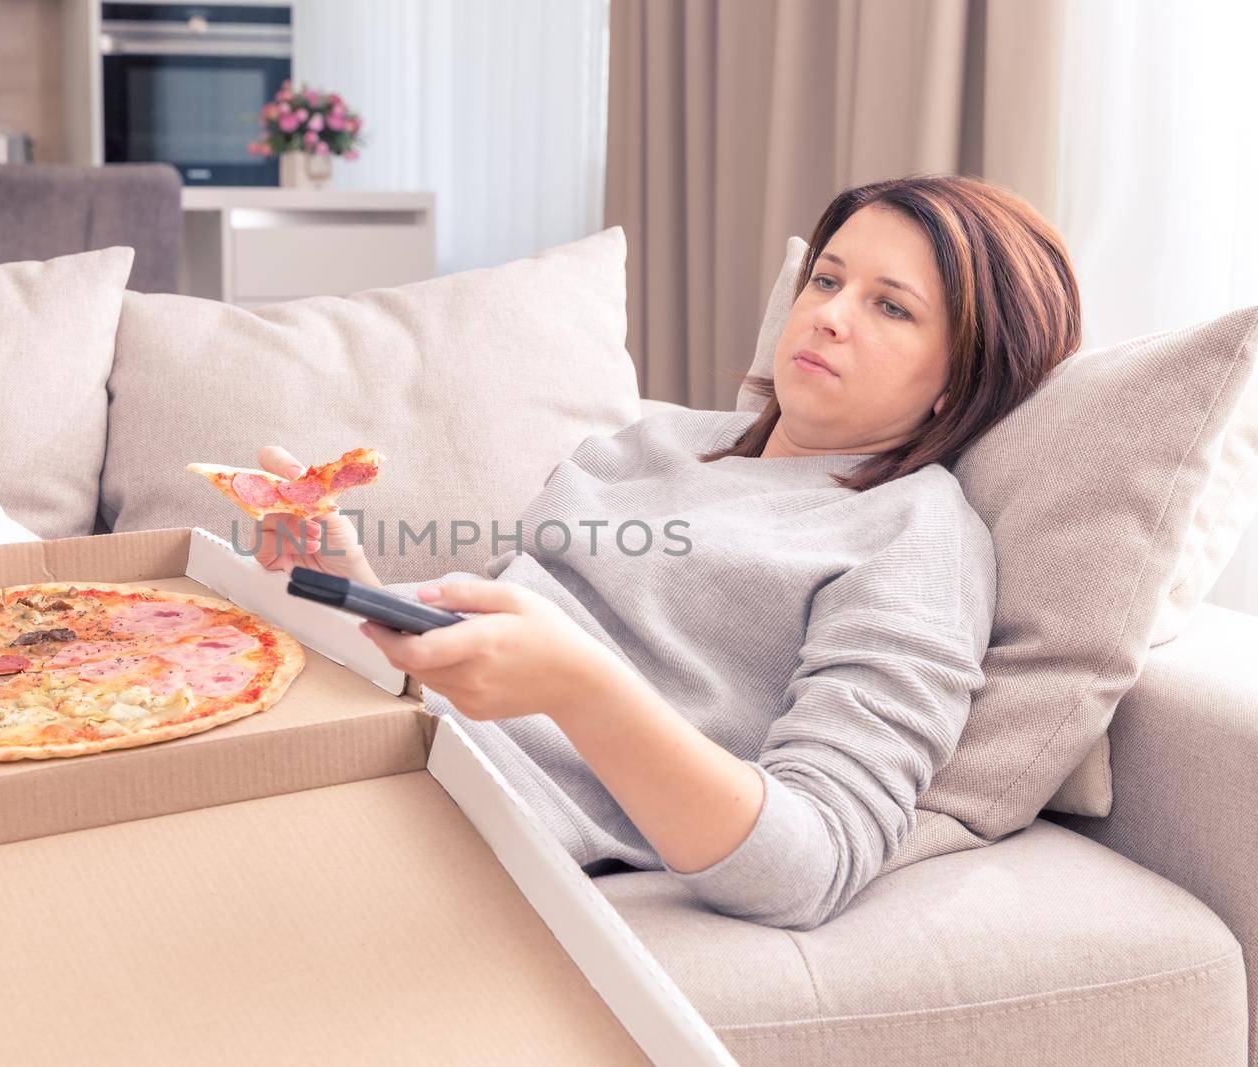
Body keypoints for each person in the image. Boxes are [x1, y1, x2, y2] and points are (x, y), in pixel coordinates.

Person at [252, 173, 1081, 930]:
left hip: (442, 818)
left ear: (962, 376)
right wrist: (346, 586)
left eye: (890, 306)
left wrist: (582, 685)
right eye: (827, 280)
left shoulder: (915, 538)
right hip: (350, 737)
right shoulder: (658, 442)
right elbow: (461, 653)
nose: (829, 313)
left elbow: (810, 865)